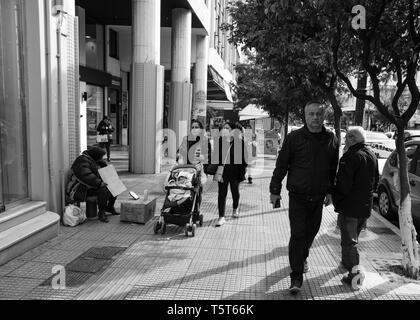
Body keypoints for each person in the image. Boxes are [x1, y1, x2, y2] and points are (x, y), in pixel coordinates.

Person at [269, 101, 339, 294]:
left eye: (318, 114)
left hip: (318, 197)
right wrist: (274, 189)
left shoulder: (331, 138)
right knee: (298, 233)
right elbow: (282, 165)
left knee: (311, 233)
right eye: (311, 114)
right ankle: (296, 276)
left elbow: (333, 168)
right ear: (305, 116)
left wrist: (329, 191)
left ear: (323, 116)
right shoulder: (294, 138)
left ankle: (302, 256)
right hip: (298, 196)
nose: (315, 117)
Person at [332, 127, 379, 288]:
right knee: (353, 239)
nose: (345, 141)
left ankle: (355, 274)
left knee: (349, 242)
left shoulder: (350, 157)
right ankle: (347, 264)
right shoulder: (371, 154)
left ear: (353, 139)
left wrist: (335, 198)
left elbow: (343, 185)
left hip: (350, 207)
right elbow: (376, 181)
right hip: (364, 207)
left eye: (347, 138)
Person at [66, 146, 118, 223]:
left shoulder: (92, 160)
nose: (101, 158)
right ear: (95, 155)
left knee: (115, 186)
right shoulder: (82, 160)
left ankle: (109, 207)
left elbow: (103, 173)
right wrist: (99, 183)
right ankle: (101, 213)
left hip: (90, 186)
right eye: (100, 157)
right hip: (80, 189)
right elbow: (86, 175)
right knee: (103, 190)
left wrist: (104, 165)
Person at [213, 121, 248, 226]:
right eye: (224, 128)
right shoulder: (220, 141)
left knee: (235, 192)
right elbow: (215, 157)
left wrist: (241, 173)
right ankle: (221, 217)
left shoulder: (240, 143)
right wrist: (217, 171)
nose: (225, 130)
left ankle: (235, 207)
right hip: (223, 172)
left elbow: (244, 160)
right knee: (221, 194)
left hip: (235, 173)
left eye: (227, 128)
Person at [177, 120, 211, 212]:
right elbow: (180, 151)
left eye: (197, 127)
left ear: (201, 129)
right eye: (193, 127)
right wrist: (179, 157)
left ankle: (195, 211)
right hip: (186, 169)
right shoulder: (186, 139)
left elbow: (209, 155)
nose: (194, 129)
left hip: (198, 169)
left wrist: (203, 157)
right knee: (183, 189)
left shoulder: (204, 140)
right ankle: (183, 209)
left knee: (196, 191)